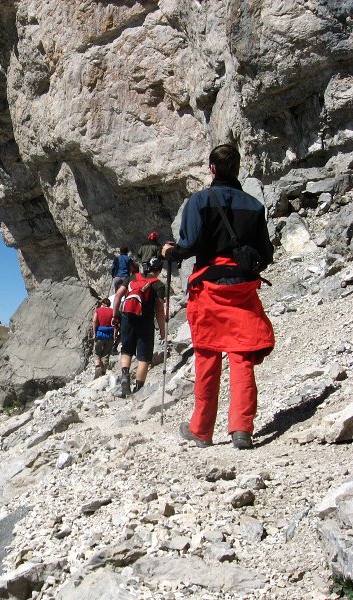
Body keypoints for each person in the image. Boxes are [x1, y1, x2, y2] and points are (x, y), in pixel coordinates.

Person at [162, 143, 275, 450]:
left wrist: (170, 252)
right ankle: (242, 429)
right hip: (242, 288)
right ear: (236, 168)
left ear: (212, 168)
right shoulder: (254, 205)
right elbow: (266, 254)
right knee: (241, 357)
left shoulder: (199, 201)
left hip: (209, 289)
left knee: (207, 356)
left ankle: (200, 430)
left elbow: (190, 245)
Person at [112, 257, 166, 398]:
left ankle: (125, 375)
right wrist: (162, 329)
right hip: (145, 321)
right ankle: (138, 389)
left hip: (127, 318)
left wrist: (115, 315)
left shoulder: (132, 277)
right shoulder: (158, 284)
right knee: (144, 357)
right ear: (159, 270)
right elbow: (159, 309)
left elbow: (118, 295)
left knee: (126, 349)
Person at [91, 298, 115, 379]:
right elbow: (115, 323)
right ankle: (103, 372)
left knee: (97, 353)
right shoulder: (113, 311)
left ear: (104, 304)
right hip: (110, 335)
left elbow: (94, 321)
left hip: (100, 334)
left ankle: (97, 367)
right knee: (106, 354)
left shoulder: (98, 310)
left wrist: (94, 333)